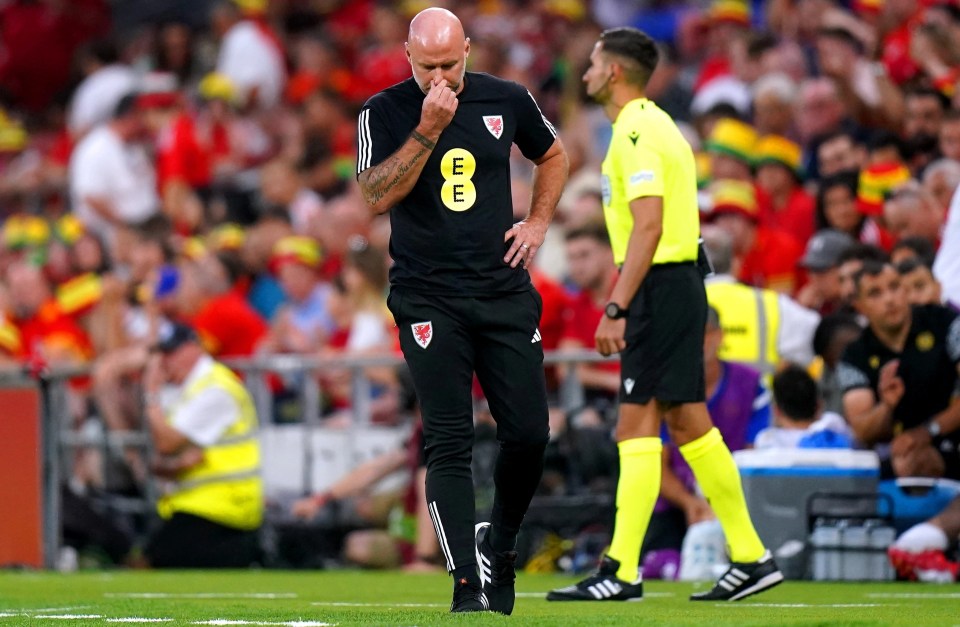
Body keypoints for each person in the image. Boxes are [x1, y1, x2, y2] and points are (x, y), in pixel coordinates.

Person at [547, 27, 782, 603]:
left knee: (635, 425)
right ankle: (751, 557)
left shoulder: (636, 130)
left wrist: (616, 305)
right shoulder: (651, 126)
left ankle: (621, 570)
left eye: (594, 65)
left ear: (617, 71)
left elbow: (648, 226)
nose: (585, 75)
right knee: (686, 424)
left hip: (659, 285)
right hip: (672, 284)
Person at [355, 7, 568, 614]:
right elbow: (373, 196)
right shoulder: (385, 110)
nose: (441, 77)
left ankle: (498, 546)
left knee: (529, 434)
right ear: (408, 57)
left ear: (468, 50)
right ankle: (466, 588)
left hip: (502, 290)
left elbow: (552, 156)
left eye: (450, 63)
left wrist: (539, 221)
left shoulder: (508, 99)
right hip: (428, 296)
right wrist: (425, 129)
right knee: (449, 439)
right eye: (428, 66)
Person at [142, 322, 263, 568]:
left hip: (224, 508)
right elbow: (165, 456)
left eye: (171, 352)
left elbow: (166, 443)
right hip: (198, 504)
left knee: (152, 560)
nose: (165, 361)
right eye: (161, 354)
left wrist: (151, 394)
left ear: (193, 348)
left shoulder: (215, 388)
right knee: (150, 557)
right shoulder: (186, 389)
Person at [838, 260, 960, 480]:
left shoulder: (947, 322)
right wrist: (886, 405)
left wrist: (927, 431)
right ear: (859, 305)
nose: (889, 299)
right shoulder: (854, 356)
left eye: (894, 287)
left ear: (905, 290)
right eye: (875, 293)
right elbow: (863, 431)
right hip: (901, 454)